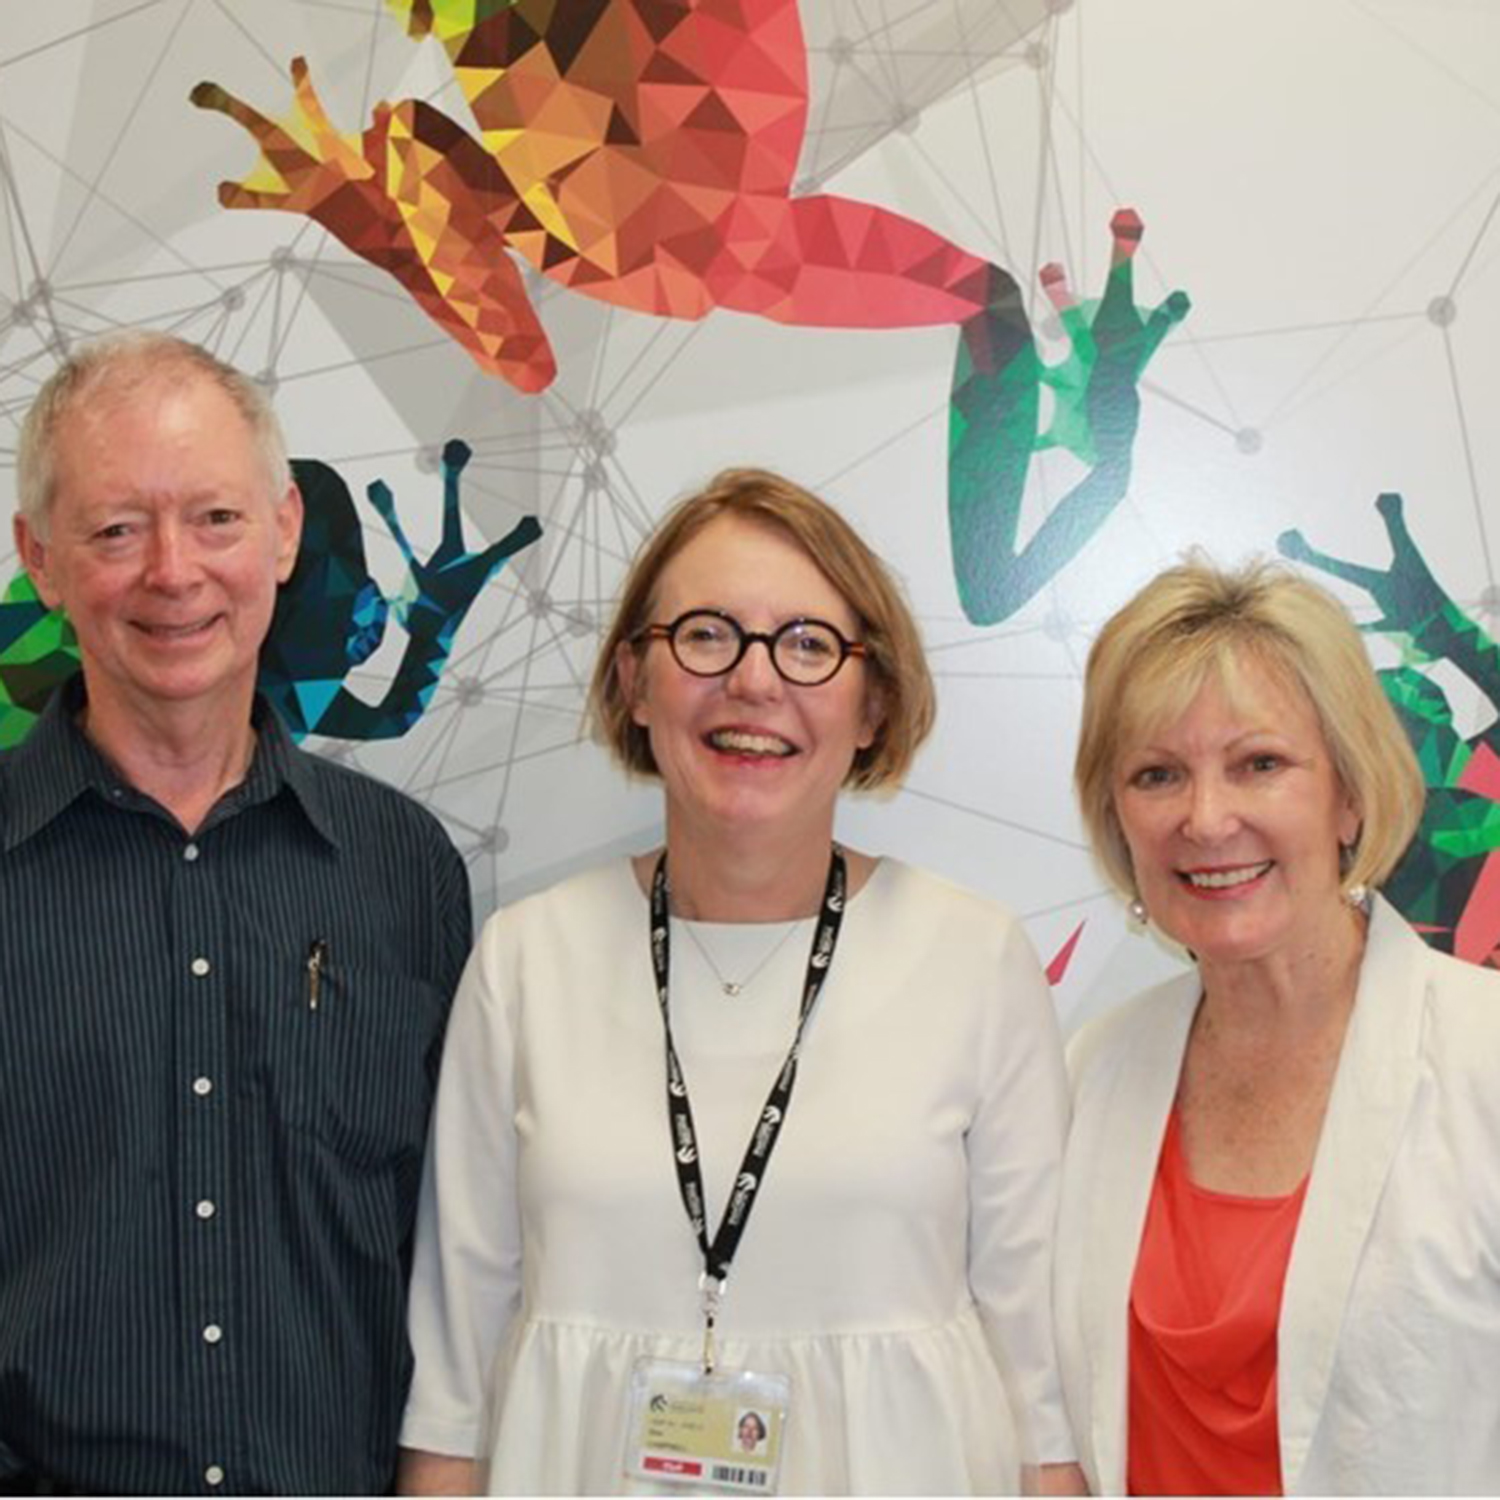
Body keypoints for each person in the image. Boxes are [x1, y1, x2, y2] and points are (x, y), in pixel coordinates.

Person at [398, 469, 1084, 1494]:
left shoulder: (975, 960)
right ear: (634, 680)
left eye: (809, 644)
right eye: (706, 635)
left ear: (873, 702)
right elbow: (452, 1383)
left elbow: (1041, 1390)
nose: (755, 683)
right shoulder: (523, 961)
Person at [0, 332, 472, 1495]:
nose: (173, 571)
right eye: (116, 529)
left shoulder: (404, 870)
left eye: (214, 518)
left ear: (282, 533)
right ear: (41, 560)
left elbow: (460, 1261)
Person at [1056, 557, 1500, 1495]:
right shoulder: (1087, 1072)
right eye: (1157, 774)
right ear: (1118, 820)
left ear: (1349, 794)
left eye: (1260, 764)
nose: (1206, 819)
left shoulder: (1483, 1060)